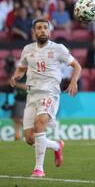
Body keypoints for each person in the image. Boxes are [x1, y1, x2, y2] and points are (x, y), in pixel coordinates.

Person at [10, 19, 82, 177]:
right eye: (39, 28)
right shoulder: (27, 49)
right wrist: (16, 75)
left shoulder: (58, 49)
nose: (42, 30)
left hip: (49, 93)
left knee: (39, 124)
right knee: (29, 139)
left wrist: (73, 81)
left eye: (45, 28)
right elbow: (22, 67)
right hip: (32, 95)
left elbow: (77, 65)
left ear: (49, 31)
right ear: (34, 32)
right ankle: (56, 146)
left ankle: (39, 169)